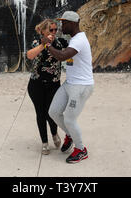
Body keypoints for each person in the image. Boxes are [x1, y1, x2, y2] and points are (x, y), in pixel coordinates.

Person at [46, 11, 94, 164]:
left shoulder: (79, 40)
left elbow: (62, 56)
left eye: (64, 23)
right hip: (70, 83)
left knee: (70, 119)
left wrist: (47, 45)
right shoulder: (74, 39)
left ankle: (81, 150)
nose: (61, 26)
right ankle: (70, 135)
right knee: (53, 112)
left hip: (81, 87)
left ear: (72, 24)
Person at [27, 19, 68, 155]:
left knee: (51, 112)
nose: (54, 32)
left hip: (53, 84)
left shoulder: (60, 43)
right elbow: (29, 55)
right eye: (51, 30)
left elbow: (73, 51)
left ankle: (54, 133)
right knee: (40, 113)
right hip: (36, 84)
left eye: (56, 30)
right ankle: (44, 142)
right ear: (44, 31)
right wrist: (43, 45)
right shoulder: (36, 43)